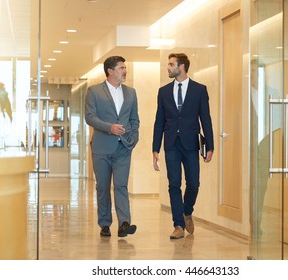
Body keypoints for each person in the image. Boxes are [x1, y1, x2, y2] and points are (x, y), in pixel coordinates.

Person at [152, 53, 214, 239]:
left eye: (171, 65)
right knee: (174, 184)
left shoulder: (199, 90)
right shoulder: (163, 91)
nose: (168, 68)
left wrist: (209, 147)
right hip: (171, 143)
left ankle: (187, 212)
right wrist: (155, 149)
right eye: (168, 65)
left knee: (194, 183)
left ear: (182, 67)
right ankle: (178, 225)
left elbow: (206, 119)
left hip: (191, 144)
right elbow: (159, 121)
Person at [85, 56, 139, 238]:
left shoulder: (131, 92)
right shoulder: (94, 91)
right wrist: (110, 127)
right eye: (122, 67)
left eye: (125, 67)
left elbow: (134, 119)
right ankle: (105, 223)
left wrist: (134, 138)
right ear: (110, 71)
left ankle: (124, 223)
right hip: (102, 146)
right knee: (102, 187)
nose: (125, 70)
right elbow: (90, 117)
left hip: (124, 147)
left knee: (121, 185)